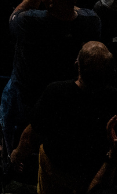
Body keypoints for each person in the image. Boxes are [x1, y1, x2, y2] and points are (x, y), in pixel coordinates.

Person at [0, 0, 102, 158]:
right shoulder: (92, 22)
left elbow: (15, 15)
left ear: (50, 2)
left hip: (26, 93)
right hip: (65, 94)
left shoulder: (30, 22)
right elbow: (73, 9)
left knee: (11, 119)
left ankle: (8, 153)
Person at [9, 41, 117, 190]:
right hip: (94, 174)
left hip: (55, 172)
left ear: (77, 65)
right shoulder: (113, 99)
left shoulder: (56, 92)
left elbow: (30, 136)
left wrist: (16, 155)